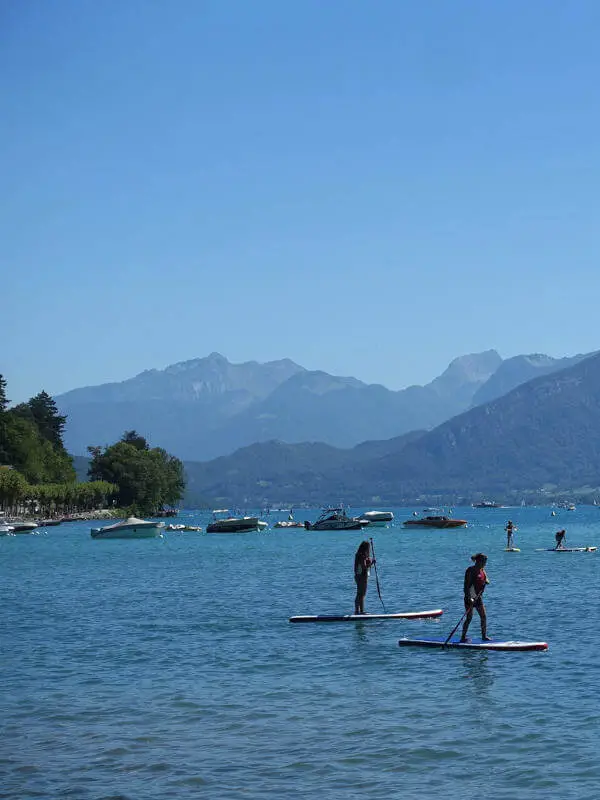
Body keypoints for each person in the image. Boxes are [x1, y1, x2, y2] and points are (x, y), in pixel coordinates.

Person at [461, 553, 490, 642]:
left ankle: (484, 636)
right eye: (484, 561)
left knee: (483, 617)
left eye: (485, 562)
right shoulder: (470, 570)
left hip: (478, 598)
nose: (485, 563)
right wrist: (469, 597)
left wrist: (486, 581)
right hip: (469, 597)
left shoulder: (482, 570)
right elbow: (466, 586)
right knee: (469, 618)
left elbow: (486, 580)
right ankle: (463, 637)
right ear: (478, 561)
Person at [354, 540, 374, 615]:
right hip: (361, 576)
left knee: (361, 594)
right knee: (360, 594)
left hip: (359, 576)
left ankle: (360, 611)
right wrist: (372, 563)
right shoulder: (361, 555)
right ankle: (358, 611)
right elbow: (364, 567)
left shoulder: (360, 555)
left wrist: (369, 561)